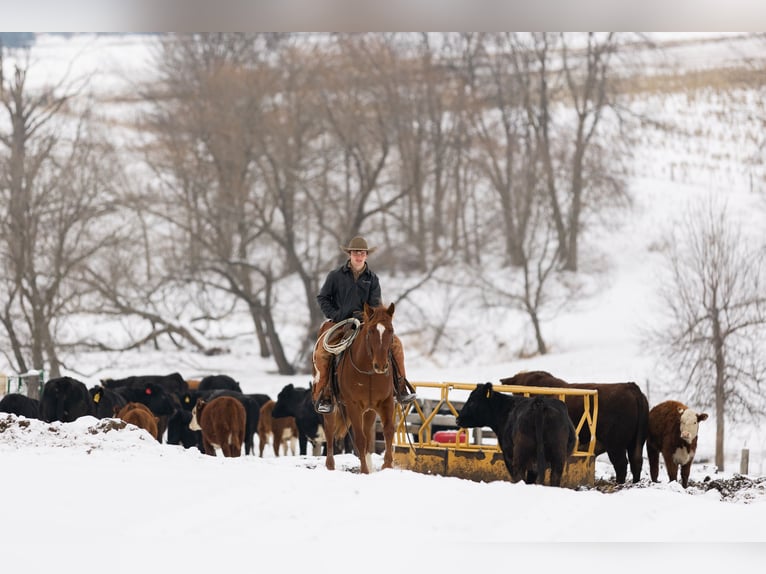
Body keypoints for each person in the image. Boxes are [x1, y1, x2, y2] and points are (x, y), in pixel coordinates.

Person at [312, 235, 416, 414]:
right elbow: (323, 298)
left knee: (396, 344)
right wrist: (336, 314)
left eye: (362, 253)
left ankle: (400, 386)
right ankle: (326, 393)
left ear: (366, 255)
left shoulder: (372, 278)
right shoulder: (335, 275)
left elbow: (376, 304)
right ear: (350, 254)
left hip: (366, 323)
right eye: (355, 253)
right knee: (323, 352)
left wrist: (370, 318)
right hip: (340, 323)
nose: (358, 256)